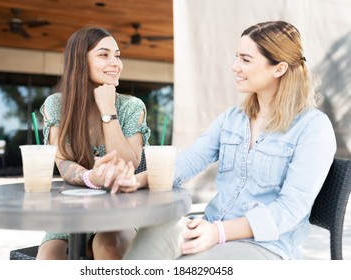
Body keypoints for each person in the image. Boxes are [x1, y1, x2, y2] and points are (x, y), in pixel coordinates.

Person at [117, 20, 337, 260]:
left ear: (279, 68)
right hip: (209, 226)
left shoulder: (313, 128)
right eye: (237, 57)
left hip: (265, 247)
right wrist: (136, 180)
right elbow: (189, 160)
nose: (235, 66)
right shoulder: (232, 119)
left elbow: (289, 210)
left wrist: (218, 232)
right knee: (152, 234)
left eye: (246, 59)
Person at [36, 26, 151, 260]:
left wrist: (108, 110)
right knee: (50, 258)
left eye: (117, 55)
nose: (116, 63)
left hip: (121, 210)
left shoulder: (131, 106)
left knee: (108, 248)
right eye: (103, 54)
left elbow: (128, 163)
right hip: (72, 213)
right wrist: (92, 177)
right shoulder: (56, 105)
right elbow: (63, 162)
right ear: (80, 61)